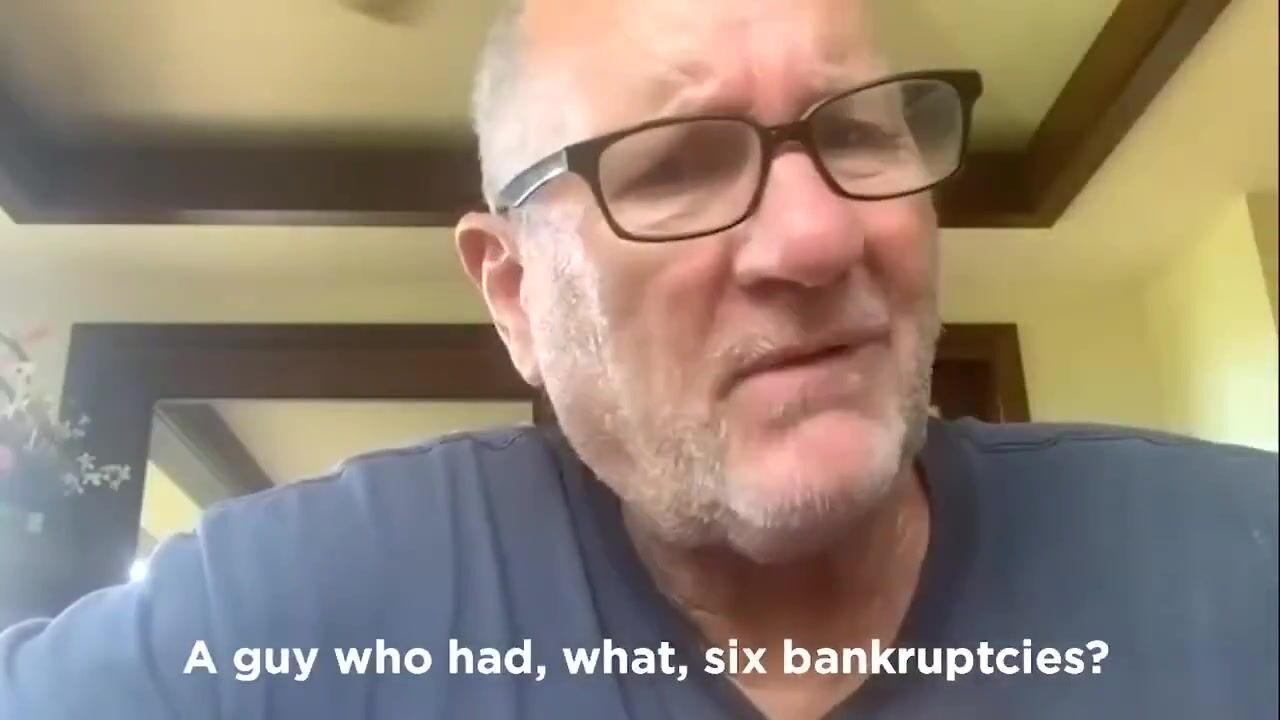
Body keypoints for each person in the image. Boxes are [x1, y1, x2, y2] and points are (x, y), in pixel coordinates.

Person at [2, 0, 1276, 717]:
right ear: (514, 295)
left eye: (858, 134)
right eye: (673, 166)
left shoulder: (1238, 563)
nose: (817, 236)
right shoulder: (298, 612)